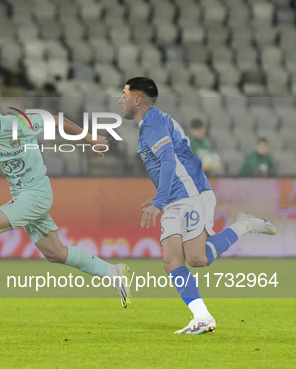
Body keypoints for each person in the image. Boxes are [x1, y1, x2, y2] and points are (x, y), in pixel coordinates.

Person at [118, 77, 277, 334]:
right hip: (174, 197)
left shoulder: (153, 123)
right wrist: (161, 194)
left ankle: (244, 224)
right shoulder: (152, 123)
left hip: (191, 192)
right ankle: (202, 317)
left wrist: (159, 201)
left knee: (197, 258)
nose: (120, 100)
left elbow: (169, 162)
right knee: (171, 260)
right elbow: (167, 165)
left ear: (137, 99)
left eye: (124, 94)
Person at [0, 96, 131, 313]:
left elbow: (57, 121)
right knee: (57, 253)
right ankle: (113, 272)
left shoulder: (19, 124)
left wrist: (90, 138)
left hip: (37, 193)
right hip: (22, 196)